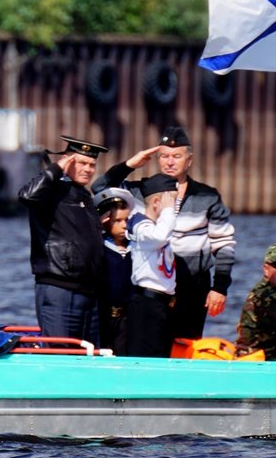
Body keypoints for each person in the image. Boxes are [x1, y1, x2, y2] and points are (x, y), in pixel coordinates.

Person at [100, 125, 237, 341]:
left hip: (192, 285)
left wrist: (220, 287)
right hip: (149, 287)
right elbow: (100, 188)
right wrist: (129, 165)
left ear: (189, 160)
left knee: (186, 345)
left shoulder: (207, 196)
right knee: (147, 345)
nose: (169, 162)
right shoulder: (138, 190)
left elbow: (224, 245)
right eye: (164, 156)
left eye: (176, 156)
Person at [18, 135, 107, 344]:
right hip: (59, 289)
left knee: (89, 354)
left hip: (88, 291)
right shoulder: (50, 190)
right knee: (59, 350)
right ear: (67, 161)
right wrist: (56, 169)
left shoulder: (84, 196)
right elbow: (26, 196)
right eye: (82, 163)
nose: (88, 169)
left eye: (92, 165)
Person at [125, 174, 178, 357]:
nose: (175, 208)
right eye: (173, 202)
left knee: (162, 355)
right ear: (157, 202)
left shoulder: (159, 226)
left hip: (163, 305)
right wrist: (168, 211)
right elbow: (158, 237)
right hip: (147, 304)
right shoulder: (140, 225)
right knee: (144, 356)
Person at [93, 187, 135, 355]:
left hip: (129, 319)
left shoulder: (136, 247)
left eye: (126, 220)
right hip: (104, 317)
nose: (124, 226)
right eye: (117, 221)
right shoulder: (100, 248)